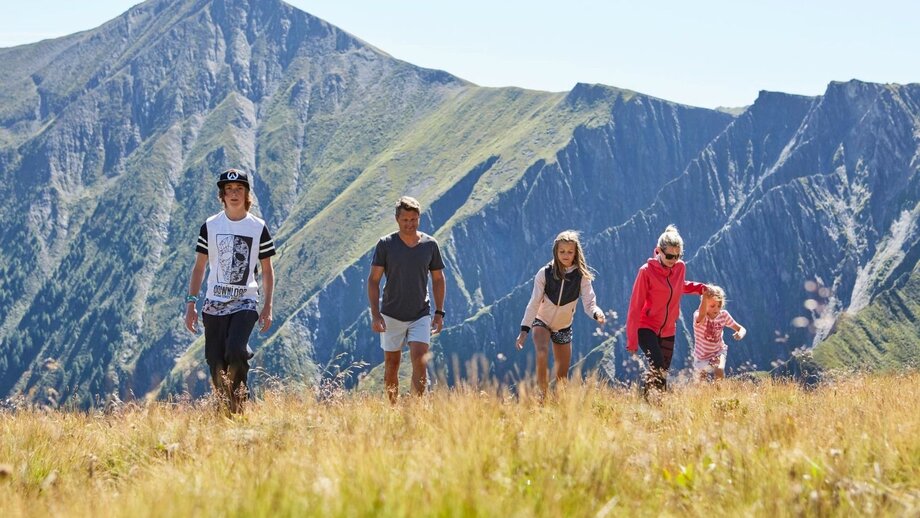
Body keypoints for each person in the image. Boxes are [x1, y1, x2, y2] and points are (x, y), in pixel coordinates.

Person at [184, 168, 275, 414]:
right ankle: (226, 407)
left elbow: (267, 270)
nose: (234, 194)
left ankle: (239, 404)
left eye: (239, 189)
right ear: (222, 195)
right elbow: (199, 266)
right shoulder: (210, 226)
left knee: (235, 350)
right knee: (215, 361)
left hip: (245, 301)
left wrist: (266, 306)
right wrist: (191, 304)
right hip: (214, 302)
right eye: (228, 190)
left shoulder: (258, 227)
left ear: (247, 194)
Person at [367, 196, 446, 404]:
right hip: (391, 314)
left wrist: (439, 312)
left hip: (420, 313)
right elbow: (373, 280)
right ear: (397, 219)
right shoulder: (386, 245)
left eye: (414, 219)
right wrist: (375, 314)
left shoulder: (430, 245)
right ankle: (393, 408)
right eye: (405, 220)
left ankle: (417, 409)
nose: (410, 224)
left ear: (419, 218)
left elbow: (438, 279)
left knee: (420, 359)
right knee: (392, 364)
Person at [515, 230, 606, 397]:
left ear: (575, 253)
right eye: (562, 251)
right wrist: (524, 330)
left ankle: (557, 405)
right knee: (542, 351)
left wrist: (596, 313)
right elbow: (534, 302)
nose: (565, 255)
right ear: (556, 251)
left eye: (570, 252)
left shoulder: (581, 277)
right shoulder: (545, 273)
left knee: (562, 377)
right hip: (541, 321)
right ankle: (543, 395)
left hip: (563, 327)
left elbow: (589, 303)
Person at [626, 224, 706, 397]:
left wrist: (700, 288)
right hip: (646, 326)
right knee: (658, 365)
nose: (674, 260)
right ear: (658, 251)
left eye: (678, 256)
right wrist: (632, 340)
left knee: (660, 371)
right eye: (669, 256)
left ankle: (644, 402)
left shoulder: (680, 267)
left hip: (669, 328)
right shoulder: (646, 272)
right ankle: (662, 406)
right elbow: (635, 306)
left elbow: (676, 287)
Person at [692, 285, 746, 381]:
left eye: (719, 306)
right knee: (701, 381)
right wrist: (704, 297)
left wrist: (740, 334)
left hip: (718, 350)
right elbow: (702, 314)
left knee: (719, 369)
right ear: (704, 304)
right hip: (701, 355)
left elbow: (741, 328)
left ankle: (720, 392)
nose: (716, 309)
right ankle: (707, 394)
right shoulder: (699, 317)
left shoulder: (723, 315)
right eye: (712, 306)